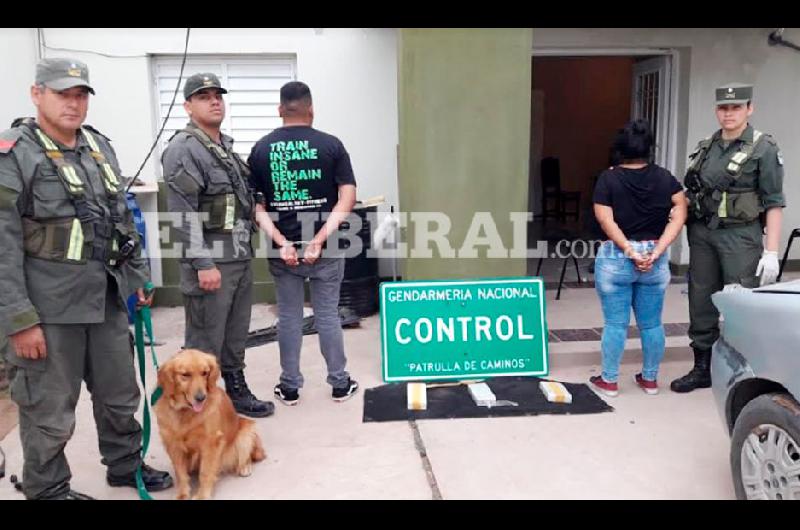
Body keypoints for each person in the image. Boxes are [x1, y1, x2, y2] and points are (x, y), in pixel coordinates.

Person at [0, 58, 173, 499]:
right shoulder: (13, 153)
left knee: (120, 394)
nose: (73, 104)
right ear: (37, 94)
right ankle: (49, 489)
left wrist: (138, 278)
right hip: (49, 309)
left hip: (107, 298)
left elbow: (121, 220)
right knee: (49, 407)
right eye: (63, 94)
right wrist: (20, 320)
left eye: (80, 95)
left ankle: (124, 465)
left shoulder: (99, 148)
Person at [162, 73, 274, 418]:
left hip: (237, 257)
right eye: (204, 96)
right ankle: (196, 405)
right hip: (211, 262)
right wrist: (202, 263)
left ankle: (234, 387)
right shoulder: (184, 149)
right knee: (205, 338)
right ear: (188, 106)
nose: (214, 101)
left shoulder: (223, 146)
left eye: (217, 95)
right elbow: (183, 215)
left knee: (235, 331)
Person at [248, 81, 359, 406]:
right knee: (327, 315)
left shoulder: (261, 149)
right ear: (311, 109)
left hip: (283, 251)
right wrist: (320, 239)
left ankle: (290, 386)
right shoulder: (332, 146)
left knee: (290, 317)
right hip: (327, 247)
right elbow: (347, 197)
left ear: (280, 110)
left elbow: (257, 207)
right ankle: (339, 384)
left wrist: (282, 242)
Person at [671, 83, 785, 393]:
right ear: (716, 111)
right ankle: (702, 368)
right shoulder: (706, 146)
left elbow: (774, 201)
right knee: (701, 299)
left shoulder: (764, 148)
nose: (729, 113)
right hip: (703, 233)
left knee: (740, 304)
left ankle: (746, 374)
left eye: (736, 107)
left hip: (740, 236)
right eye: (723, 108)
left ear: (750, 108)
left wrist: (771, 251)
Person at [590, 120, 687, 397]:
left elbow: (605, 220)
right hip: (654, 257)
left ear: (620, 149)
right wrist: (655, 252)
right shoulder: (666, 179)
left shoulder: (608, 179)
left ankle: (609, 380)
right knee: (652, 323)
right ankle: (650, 379)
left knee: (615, 324)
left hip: (615, 257)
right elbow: (680, 214)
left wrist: (630, 251)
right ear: (649, 149)